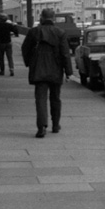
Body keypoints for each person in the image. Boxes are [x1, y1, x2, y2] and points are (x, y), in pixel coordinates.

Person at [21, 8, 73, 138]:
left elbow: (25, 48)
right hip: (56, 69)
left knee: (40, 99)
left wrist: (29, 63)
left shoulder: (34, 32)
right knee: (55, 98)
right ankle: (55, 125)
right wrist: (68, 72)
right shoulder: (60, 33)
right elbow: (65, 54)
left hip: (39, 69)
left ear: (42, 18)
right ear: (54, 18)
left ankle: (41, 127)